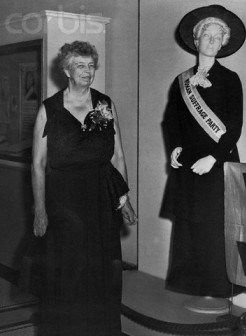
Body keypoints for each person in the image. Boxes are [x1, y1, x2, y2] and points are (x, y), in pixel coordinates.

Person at [31, 40, 137, 335]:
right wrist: (40, 210)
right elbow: (38, 165)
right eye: (80, 65)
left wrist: (124, 198)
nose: (87, 71)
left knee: (100, 271)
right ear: (66, 69)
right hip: (63, 202)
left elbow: (117, 155)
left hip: (101, 199)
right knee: (68, 272)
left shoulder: (105, 104)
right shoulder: (49, 109)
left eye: (91, 65)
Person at [164, 5, 246, 314]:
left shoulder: (231, 79)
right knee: (189, 228)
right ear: (196, 40)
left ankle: (220, 290)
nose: (211, 40)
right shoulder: (181, 80)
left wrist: (214, 157)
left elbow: (234, 127)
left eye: (217, 36)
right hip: (188, 167)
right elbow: (171, 120)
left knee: (216, 228)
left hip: (218, 165)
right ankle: (197, 287)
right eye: (206, 35)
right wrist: (174, 147)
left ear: (224, 42)